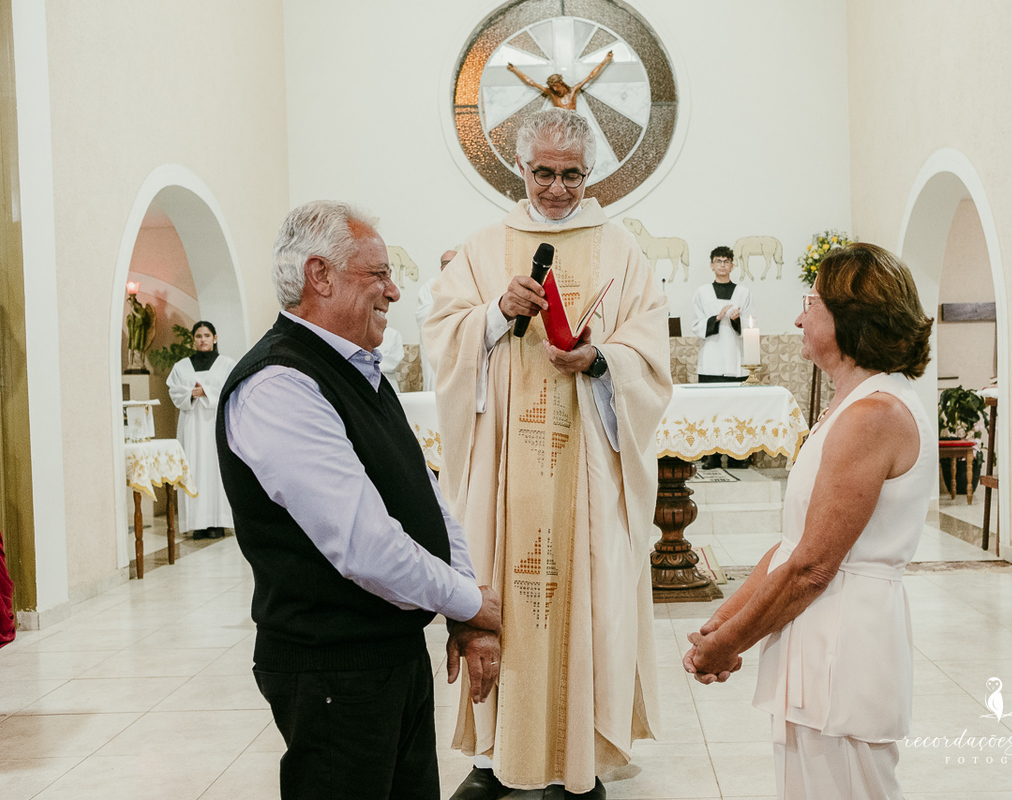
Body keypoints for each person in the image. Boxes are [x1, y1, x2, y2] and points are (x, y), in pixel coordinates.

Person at [216, 200, 502, 800]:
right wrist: (473, 601)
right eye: (378, 274)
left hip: (389, 652)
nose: (394, 292)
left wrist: (461, 613)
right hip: (330, 668)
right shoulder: (280, 385)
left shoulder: (359, 371)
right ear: (320, 275)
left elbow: (426, 498)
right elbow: (364, 545)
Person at [425, 108, 670, 800]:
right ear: (520, 169)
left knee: (583, 601)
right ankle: (493, 757)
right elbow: (441, 343)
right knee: (501, 591)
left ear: (589, 174)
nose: (557, 188)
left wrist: (602, 361)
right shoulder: (482, 250)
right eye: (543, 172)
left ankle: (577, 758)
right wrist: (496, 314)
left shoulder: (621, 250)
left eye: (570, 174)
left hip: (586, 470)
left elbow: (651, 354)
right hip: (506, 471)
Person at [683, 243, 935, 800]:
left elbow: (812, 567)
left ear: (851, 319)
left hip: (845, 640)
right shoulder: (854, 405)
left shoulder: (875, 414)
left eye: (812, 303)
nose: (799, 316)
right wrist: (720, 624)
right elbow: (789, 545)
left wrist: (730, 645)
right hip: (820, 630)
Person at [166, 321, 236, 539]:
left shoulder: (226, 364)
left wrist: (207, 391)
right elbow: (175, 392)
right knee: (194, 469)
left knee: (215, 469)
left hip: (215, 423)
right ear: (193, 339)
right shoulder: (181, 366)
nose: (202, 339)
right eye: (198, 336)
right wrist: (190, 394)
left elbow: (231, 388)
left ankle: (218, 522)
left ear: (215, 338)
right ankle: (198, 523)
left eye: (206, 335)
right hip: (192, 425)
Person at [692, 245, 755, 468]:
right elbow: (696, 325)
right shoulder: (701, 293)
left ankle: (738, 455)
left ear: (732, 265)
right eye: (718, 261)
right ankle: (713, 455)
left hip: (735, 358)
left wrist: (737, 319)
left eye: (726, 261)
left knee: (736, 408)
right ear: (711, 265)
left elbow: (749, 325)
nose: (722, 265)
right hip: (711, 358)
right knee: (711, 408)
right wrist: (717, 317)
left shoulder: (744, 292)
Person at [506, 51, 613, 111]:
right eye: (552, 87)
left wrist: (605, 60)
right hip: (560, 124)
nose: (555, 89)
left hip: (573, 123)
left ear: (561, 83)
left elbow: (590, 76)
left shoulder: (572, 91)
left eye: (556, 86)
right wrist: (515, 70)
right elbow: (532, 83)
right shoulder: (551, 93)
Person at [416, 249, 457, 390]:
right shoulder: (431, 286)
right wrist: (451, 312)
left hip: (459, 348)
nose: (450, 266)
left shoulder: (468, 287)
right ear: (441, 267)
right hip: (436, 347)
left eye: (454, 262)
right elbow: (422, 315)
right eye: (446, 263)